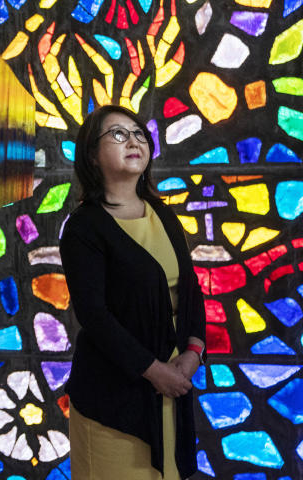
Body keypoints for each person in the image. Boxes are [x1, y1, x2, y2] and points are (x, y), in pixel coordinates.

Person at [60, 105, 206, 479]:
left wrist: (193, 350)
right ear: (92, 154)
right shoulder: (84, 227)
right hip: (114, 399)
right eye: (118, 134)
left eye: (139, 133)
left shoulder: (163, 214)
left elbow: (189, 290)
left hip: (169, 387)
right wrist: (153, 371)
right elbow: (94, 315)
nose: (134, 140)